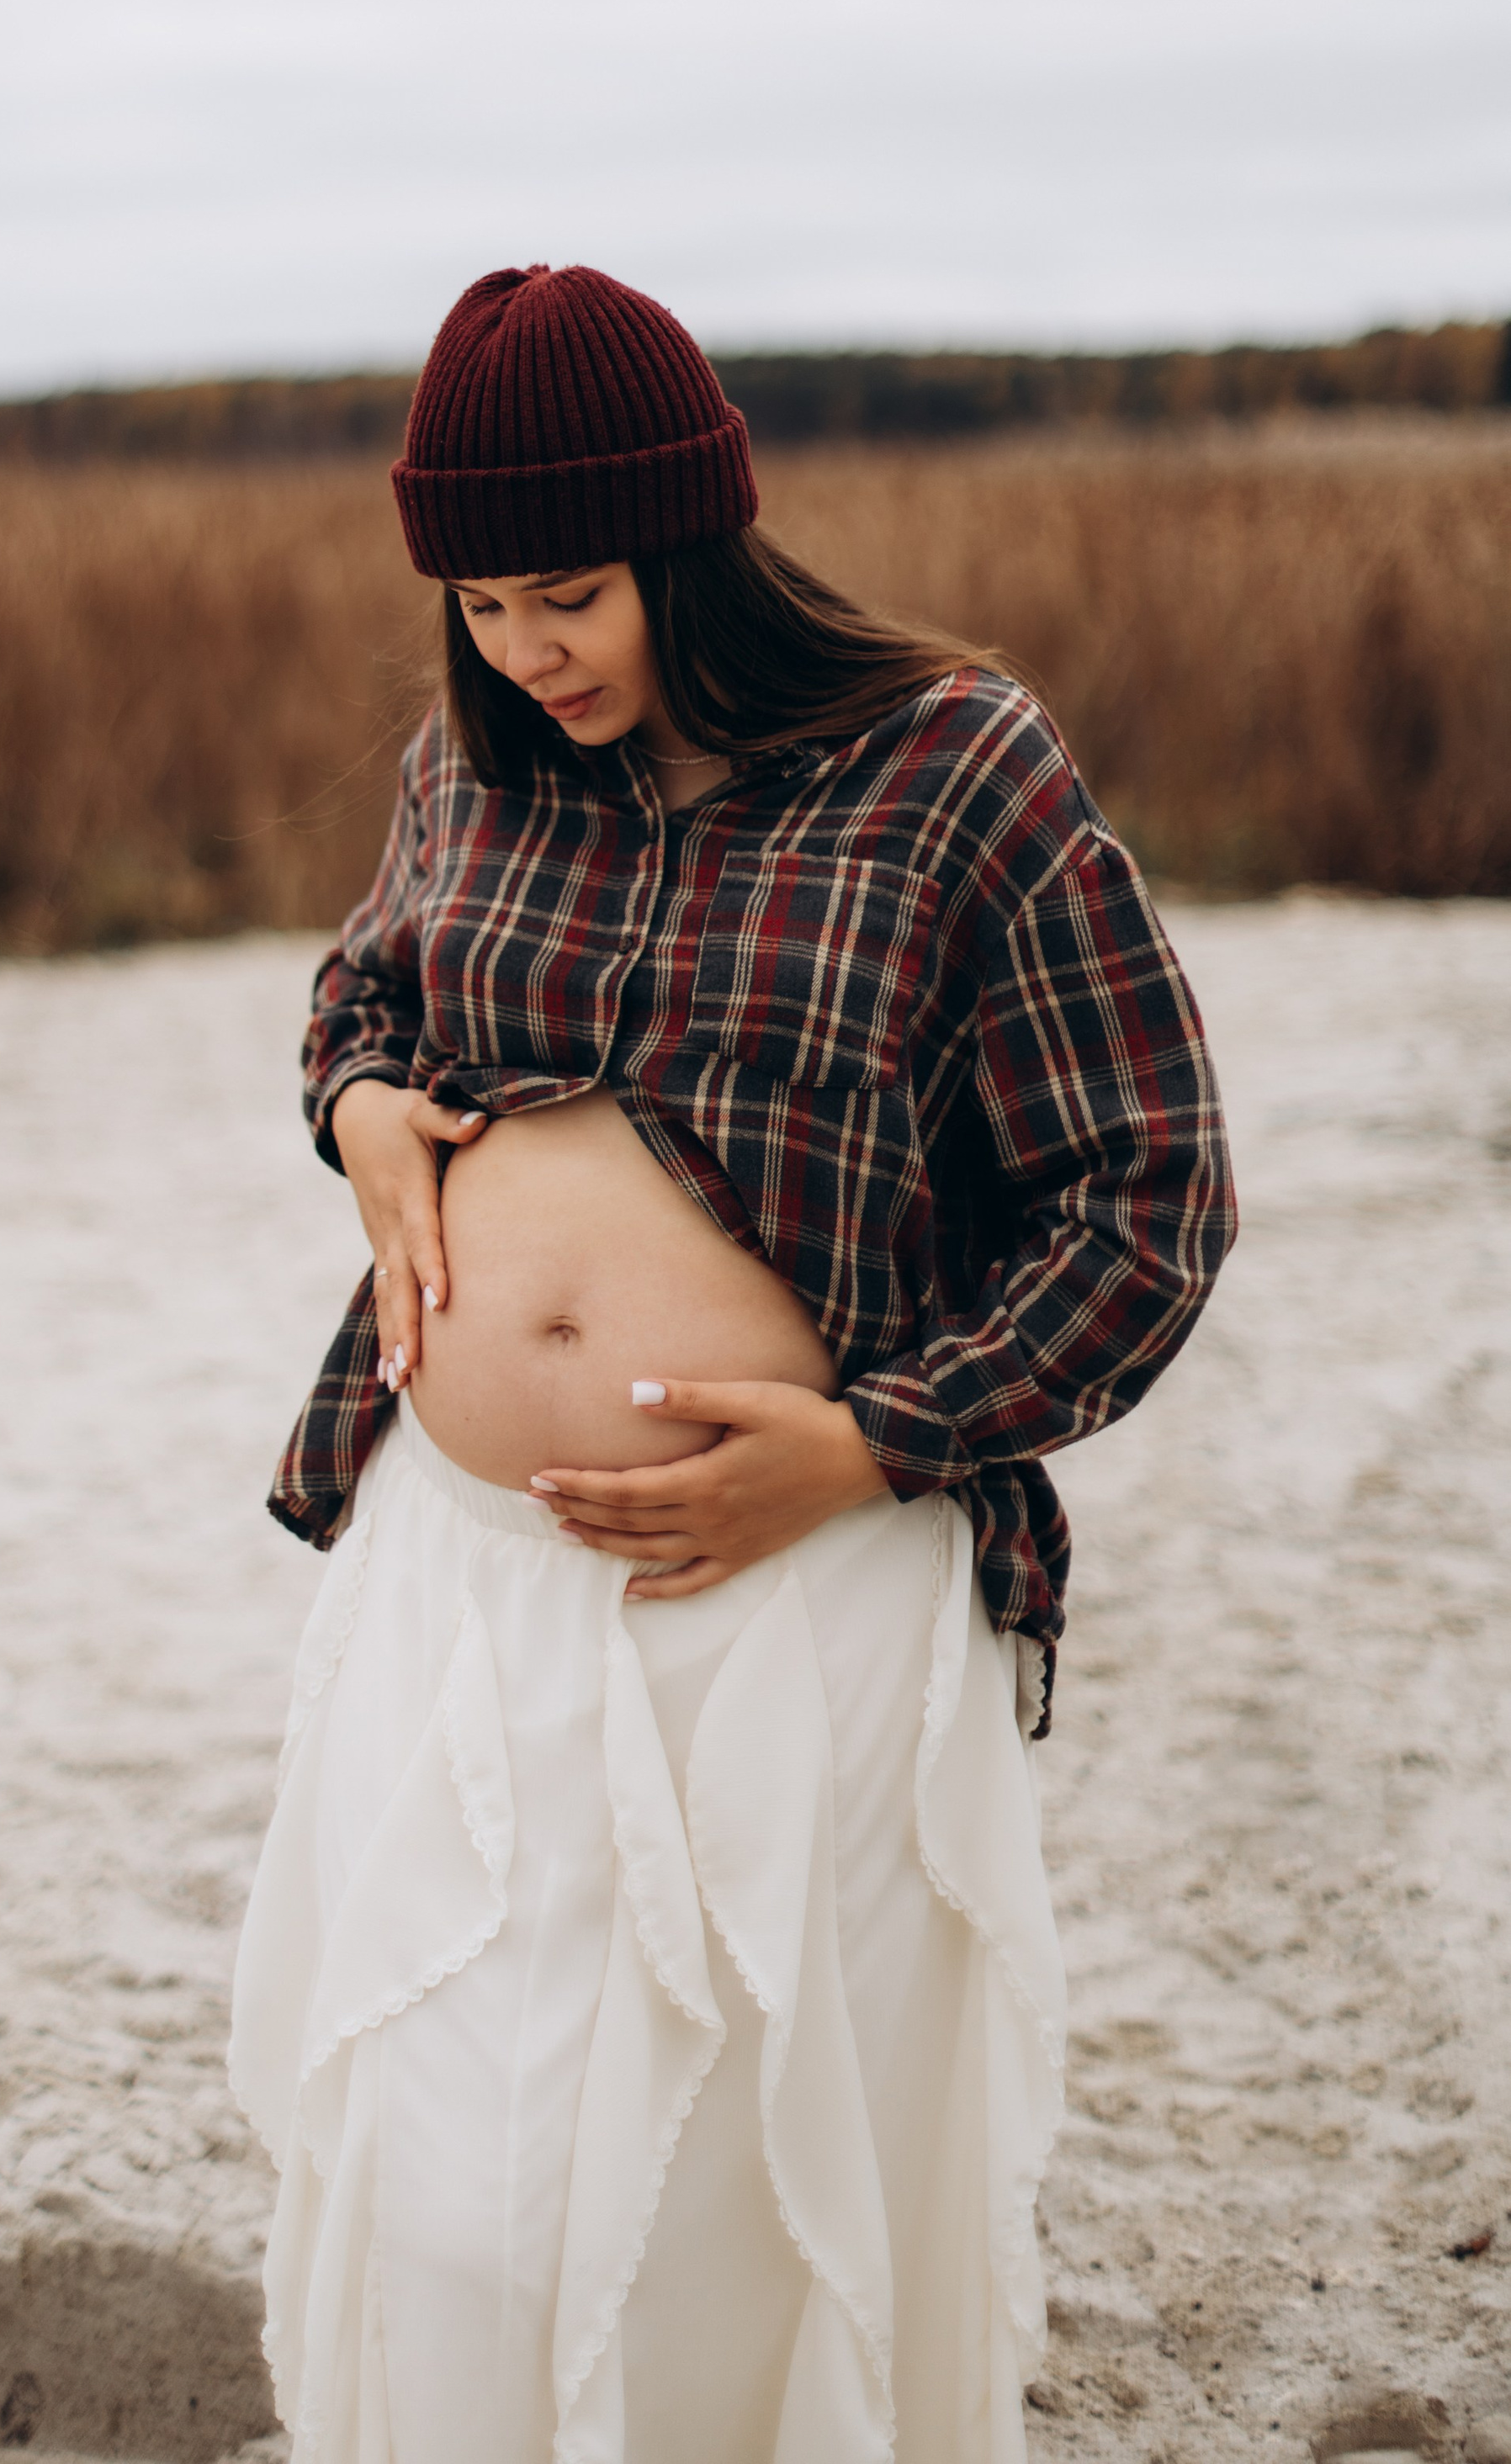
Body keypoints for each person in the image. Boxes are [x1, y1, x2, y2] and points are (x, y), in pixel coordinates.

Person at [229, 263, 1235, 2464]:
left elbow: (1147, 1196)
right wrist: (364, 1112)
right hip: (462, 1593)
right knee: (446, 2188)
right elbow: (361, 996)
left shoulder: (958, 767)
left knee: (730, 2217)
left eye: (570, 592)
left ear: (697, 533)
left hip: (794, 1603)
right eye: (480, 605)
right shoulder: (473, 766)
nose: (528, 653)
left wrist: (877, 1444)